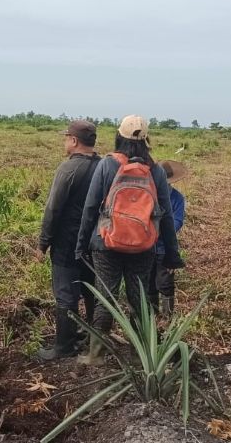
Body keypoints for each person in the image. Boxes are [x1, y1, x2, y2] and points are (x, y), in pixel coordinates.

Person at [75, 115, 184, 365]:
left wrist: (81, 244)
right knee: (140, 299)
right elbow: (165, 215)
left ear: (119, 135)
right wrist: (171, 254)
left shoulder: (107, 165)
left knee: (106, 297)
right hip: (143, 247)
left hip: (106, 244)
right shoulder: (155, 171)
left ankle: (95, 355)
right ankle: (141, 356)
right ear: (147, 139)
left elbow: (90, 207)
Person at [36, 120, 101, 360]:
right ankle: (95, 340)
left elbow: (53, 209)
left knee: (65, 294)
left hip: (67, 243)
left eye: (66, 138)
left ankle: (64, 347)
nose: (65, 142)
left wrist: (43, 243)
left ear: (74, 141)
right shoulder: (105, 167)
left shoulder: (69, 169)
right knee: (93, 291)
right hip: (96, 243)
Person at [149, 160, 187, 317]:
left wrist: (160, 230)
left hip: (165, 248)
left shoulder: (177, 198)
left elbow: (178, 221)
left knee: (165, 284)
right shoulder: (149, 195)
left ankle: (167, 318)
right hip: (148, 247)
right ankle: (151, 318)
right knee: (148, 284)